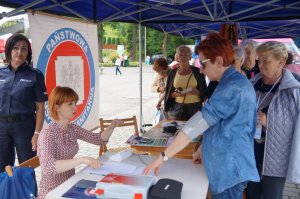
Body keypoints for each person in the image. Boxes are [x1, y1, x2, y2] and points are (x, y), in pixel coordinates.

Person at [144, 33, 260, 199]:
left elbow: (196, 125)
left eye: (203, 64)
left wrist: (163, 156)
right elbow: (221, 123)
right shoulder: (229, 82)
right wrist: (203, 147)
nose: (202, 69)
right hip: (229, 164)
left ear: (219, 61)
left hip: (229, 168)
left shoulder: (232, 87)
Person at [37, 86, 123, 199]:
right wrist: (81, 160)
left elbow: (97, 139)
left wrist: (111, 127)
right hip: (53, 191)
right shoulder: (48, 133)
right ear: (57, 107)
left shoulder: (72, 128)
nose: (75, 108)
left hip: (70, 185)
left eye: (75, 103)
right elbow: (48, 167)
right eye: (69, 104)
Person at [246, 41, 300, 199]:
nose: (260, 65)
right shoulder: (252, 84)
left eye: (266, 60)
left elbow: (297, 129)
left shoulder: (293, 90)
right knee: (252, 194)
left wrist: (269, 122)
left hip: (276, 158)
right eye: (259, 60)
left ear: (281, 62)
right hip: (250, 153)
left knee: (272, 196)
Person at [0, 33, 48, 172]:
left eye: (24, 48)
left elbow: (40, 108)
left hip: (25, 127)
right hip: (2, 127)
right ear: (9, 50)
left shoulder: (35, 75)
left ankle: (28, 194)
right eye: (15, 48)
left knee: (27, 168)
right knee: (2, 169)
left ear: (28, 52)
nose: (19, 52)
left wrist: (37, 134)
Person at [164, 45, 207, 120]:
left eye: (185, 55)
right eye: (180, 55)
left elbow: (205, 93)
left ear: (190, 57)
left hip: (195, 107)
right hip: (178, 107)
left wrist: (197, 92)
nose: (183, 57)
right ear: (177, 57)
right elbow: (169, 94)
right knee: (177, 130)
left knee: (194, 130)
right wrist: (175, 94)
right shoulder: (172, 72)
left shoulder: (198, 72)